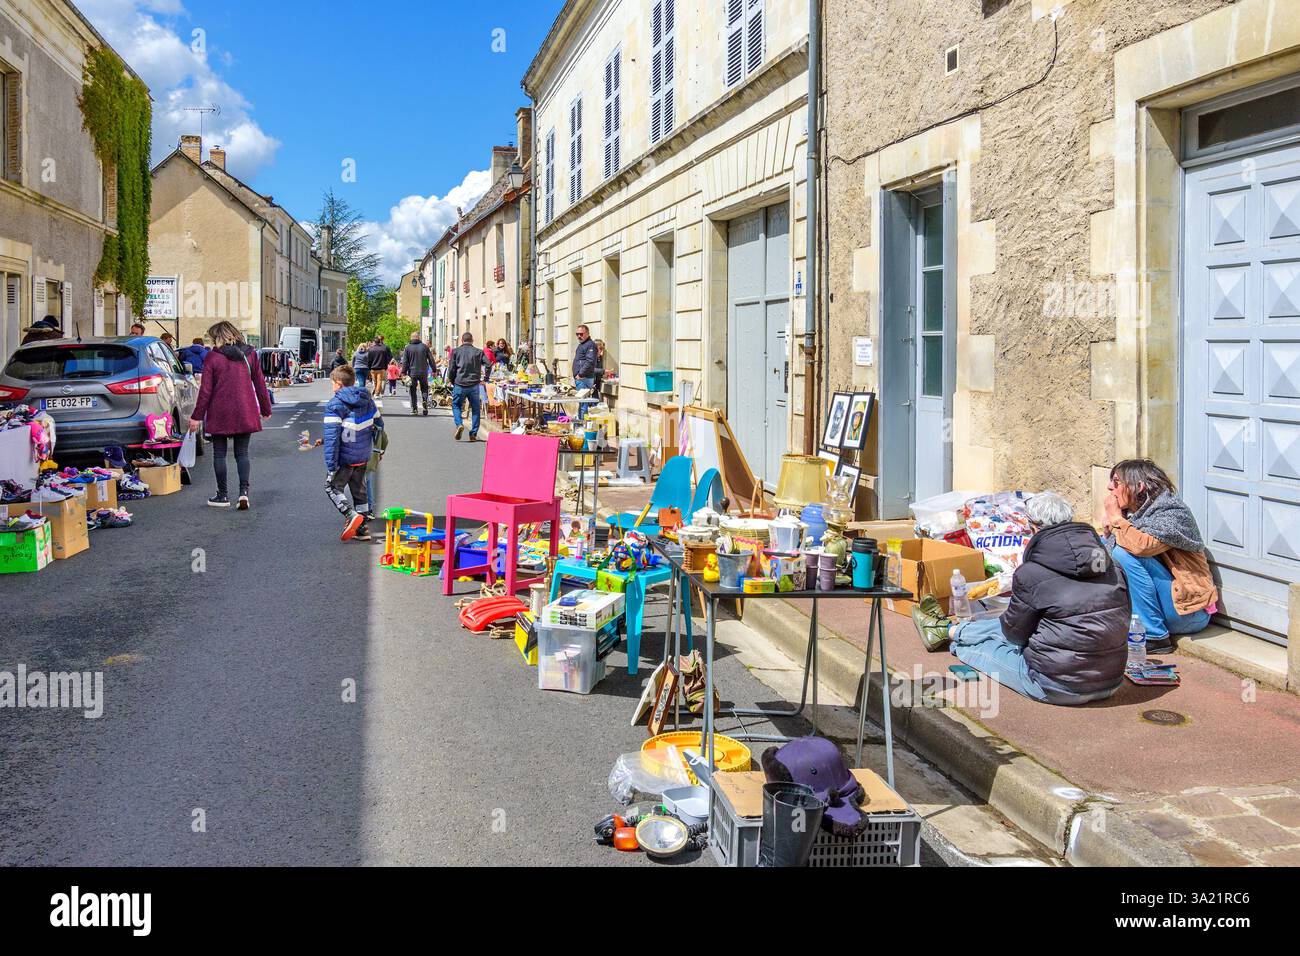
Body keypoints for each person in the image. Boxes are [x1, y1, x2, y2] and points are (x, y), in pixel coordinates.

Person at [912, 491, 1130, 705]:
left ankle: (948, 634)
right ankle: (947, 630)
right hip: (1111, 681)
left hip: (1054, 685)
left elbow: (1013, 635)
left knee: (978, 649)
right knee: (1025, 625)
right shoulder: (1110, 564)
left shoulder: (1031, 572)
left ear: (1033, 527)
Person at [1104, 459, 1216, 653]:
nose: (1109, 488)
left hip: (1190, 613)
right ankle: (1142, 627)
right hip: (1168, 606)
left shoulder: (1171, 512)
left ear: (1138, 486)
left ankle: (1154, 635)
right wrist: (1109, 533)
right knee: (1110, 548)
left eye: (1116, 482)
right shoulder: (1135, 515)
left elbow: (1141, 547)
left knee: (1124, 553)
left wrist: (1115, 519)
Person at [187, 320, 273, 510]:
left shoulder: (213, 357)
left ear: (217, 337)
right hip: (245, 409)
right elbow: (260, 384)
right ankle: (243, 493)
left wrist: (197, 416)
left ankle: (222, 495)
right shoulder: (250, 355)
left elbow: (205, 391)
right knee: (242, 453)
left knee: (219, 454)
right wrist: (266, 409)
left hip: (220, 411)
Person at [323, 365, 381, 541]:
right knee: (359, 491)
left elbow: (332, 438)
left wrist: (332, 466)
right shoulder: (367, 400)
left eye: (332, 383)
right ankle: (362, 529)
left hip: (345, 458)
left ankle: (350, 514)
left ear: (339, 384)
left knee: (332, 487)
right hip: (363, 455)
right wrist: (375, 448)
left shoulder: (335, 404)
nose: (332, 387)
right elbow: (379, 424)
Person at [448, 331, 486, 441]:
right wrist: (486, 378)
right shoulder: (478, 352)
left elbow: (451, 368)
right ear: (472, 340)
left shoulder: (455, 352)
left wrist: (451, 379)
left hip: (460, 383)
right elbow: (488, 364)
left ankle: (459, 424)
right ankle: (473, 434)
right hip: (474, 384)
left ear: (462, 341)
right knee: (475, 409)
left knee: (456, 405)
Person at [400, 332, 434, 416]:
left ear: (411, 338)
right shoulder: (425, 347)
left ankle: (414, 409)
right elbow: (431, 359)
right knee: (424, 388)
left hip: (412, 373)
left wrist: (403, 372)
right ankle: (425, 401)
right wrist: (434, 370)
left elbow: (405, 362)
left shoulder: (407, 348)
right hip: (423, 372)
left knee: (413, 390)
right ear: (419, 338)